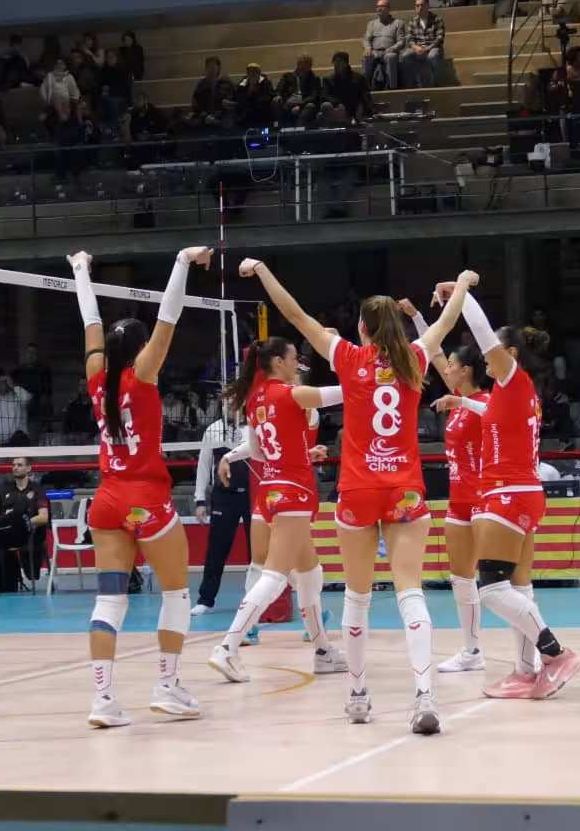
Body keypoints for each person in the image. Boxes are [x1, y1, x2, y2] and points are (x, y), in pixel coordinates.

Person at [238, 258, 475, 733]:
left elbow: (297, 314)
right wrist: (465, 282)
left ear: (363, 329)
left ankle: (359, 694)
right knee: (411, 591)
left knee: (357, 595)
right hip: (404, 488)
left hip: (358, 490)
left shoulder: (348, 358)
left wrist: (263, 271)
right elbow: (447, 321)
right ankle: (424, 696)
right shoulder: (415, 357)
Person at [70, 245, 212, 728]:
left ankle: (102, 700)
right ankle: (167, 687)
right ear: (138, 349)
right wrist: (181, 262)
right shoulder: (143, 374)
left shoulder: (96, 377)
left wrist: (80, 270)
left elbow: (90, 322)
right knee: (175, 593)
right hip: (145, 498)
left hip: (106, 500)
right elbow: (170, 315)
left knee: (109, 600)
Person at [442, 285, 580, 700]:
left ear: (511, 355)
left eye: (493, 352)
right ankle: (525, 672)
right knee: (518, 588)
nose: (485, 357)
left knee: (491, 587)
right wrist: (462, 404)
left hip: (509, 491)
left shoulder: (513, 378)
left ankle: (554, 654)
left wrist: (462, 292)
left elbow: (483, 334)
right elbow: (492, 414)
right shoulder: (511, 394)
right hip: (516, 491)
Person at [206, 337, 348, 681]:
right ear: (278, 363)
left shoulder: (255, 399)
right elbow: (342, 393)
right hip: (293, 493)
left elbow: (256, 451)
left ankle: (323, 650)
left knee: (311, 574)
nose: (296, 364)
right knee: (275, 574)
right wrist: (368, 375)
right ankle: (228, 646)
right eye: (293, 359)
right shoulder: (293, 394)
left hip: (269, 491)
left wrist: (298, 455)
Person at [430, 344, 490, 673]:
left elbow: (494, 412)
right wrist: (418, 320)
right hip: (459, 500)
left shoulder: (486, 401)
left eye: (453, 365)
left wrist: (461, 401)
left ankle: (533, 648)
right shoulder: (457, 398)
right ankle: (471, 651)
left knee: (502, 581)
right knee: (461, 578)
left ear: (466, 370)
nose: (447, 369)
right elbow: (437, 355)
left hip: (486, 498)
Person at [190, 410, 252, 617]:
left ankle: (256, 600)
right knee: (216, 550)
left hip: (253, 496)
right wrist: (200, 500)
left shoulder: (254, 427)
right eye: (227, 402)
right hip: (224, 497)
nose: (232, 407)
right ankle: (205, 599)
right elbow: (204, 465)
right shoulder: (213, 430)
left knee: (258, 552)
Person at [0, 457, 50, 597]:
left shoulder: (38, 490)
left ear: (29, 468)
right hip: (6, 531)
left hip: (28, 532)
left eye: (19, 465)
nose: (15, 467)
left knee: (18, 515)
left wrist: (27, 521)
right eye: (13, 465)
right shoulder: (4, 489)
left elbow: (43, 517)